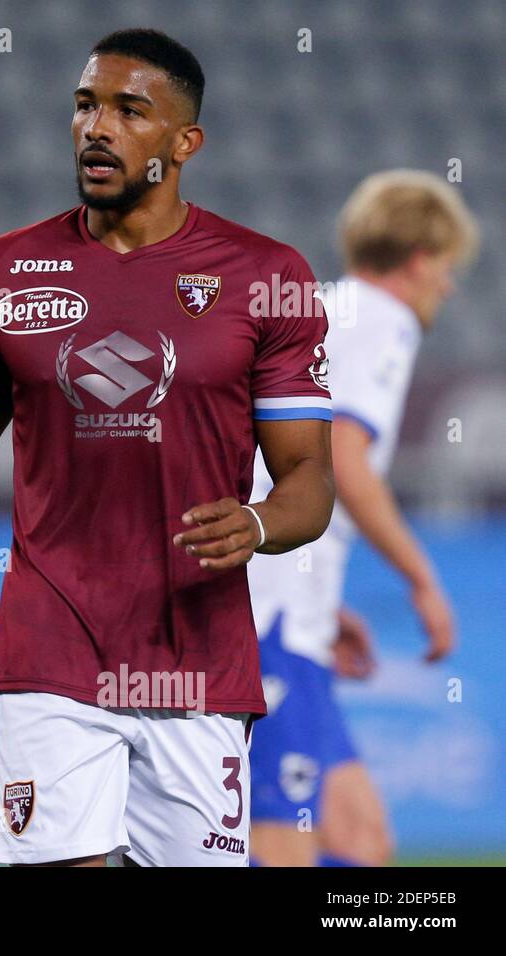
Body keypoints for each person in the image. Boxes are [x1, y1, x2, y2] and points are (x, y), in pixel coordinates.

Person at [0, 27, 337, 866]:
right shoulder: (0, 277)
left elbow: (308, 485)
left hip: (197, 668)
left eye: (128, 110)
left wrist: (259, 525)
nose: (96, 127)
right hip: (52, 655)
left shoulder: (267, 278)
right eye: (85, 106)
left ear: (185, 142)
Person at [246, 170, 479, 866]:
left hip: (288, 609)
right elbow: (342, 462)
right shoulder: (386, 320)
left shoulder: (321, 308)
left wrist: (320, 597)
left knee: (359, 841)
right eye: (445, 265)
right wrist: (421, 578)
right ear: (417, 259)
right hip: (265, 621)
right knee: (279, 845)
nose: (449, 284)